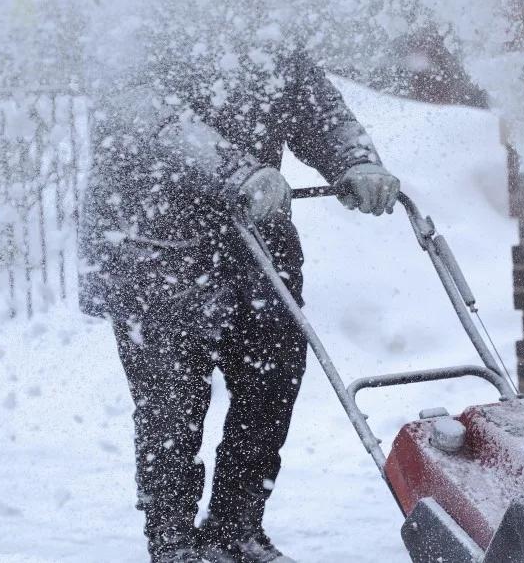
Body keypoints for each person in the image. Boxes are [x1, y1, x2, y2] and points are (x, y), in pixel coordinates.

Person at [80, 45, 400, 562]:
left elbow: (315, 105)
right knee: (172, 400)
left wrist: (357, 161)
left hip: (254, 240)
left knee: (272, 382)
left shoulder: (266, 26)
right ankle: (174, 542)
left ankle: (235, 529)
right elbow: (148, 113)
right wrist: (236, 170)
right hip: (152, 245)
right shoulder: (139, 11)